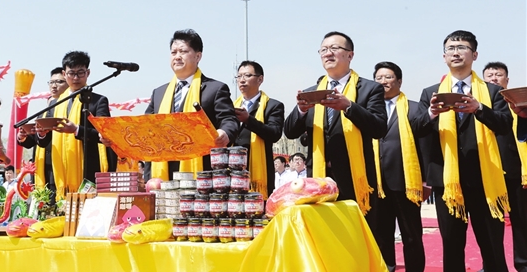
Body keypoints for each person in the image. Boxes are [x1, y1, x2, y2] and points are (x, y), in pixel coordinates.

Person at [416, 30, 513, 272]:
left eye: (462, 47)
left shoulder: (493, 92)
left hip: (486, 182)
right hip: (449, 185)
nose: (456, 52)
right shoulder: (431, 91)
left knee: (492, 249)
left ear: (475, 55)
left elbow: (504, 124)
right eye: (450, 48)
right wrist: (431, 113)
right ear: (444, 56)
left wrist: (478, 109)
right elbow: (418, 129)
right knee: (452, 248)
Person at [283, 31, 387, 229]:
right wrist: (301, 110)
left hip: (356, 176)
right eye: (323, 50)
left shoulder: (369, 89)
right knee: (325, 234)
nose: (328, 54)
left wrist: (349, 106)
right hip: (320, 178)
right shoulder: (312, 91)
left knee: (358, 234)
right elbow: (289, 132)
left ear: (350, 55)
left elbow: (378, 128)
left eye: (334, 49)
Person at [146, 29, 239, 179]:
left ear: (198, 56)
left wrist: (224, 133)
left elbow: (229, 120)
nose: (177, 57)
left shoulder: (215, 89)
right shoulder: (159, 93)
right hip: (163, 173)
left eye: (182, 51)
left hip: (202, 171)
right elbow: (146, 127)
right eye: (173, 52)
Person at [30, 51, 113, 199]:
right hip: (59, 174)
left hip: (88, 172)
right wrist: (41, 134)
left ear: (88, 73)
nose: (75, 78)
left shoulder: (98, 101)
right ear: (64, 73)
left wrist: (76, 130)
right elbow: (44, 143)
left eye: (80, 73)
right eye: (71, 73)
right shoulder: (55, 104)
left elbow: (105, 135)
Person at [372, 61, 426, 272]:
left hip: (406, 182)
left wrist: (424, 179)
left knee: (411, 234)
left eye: (388, 77)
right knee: (382, 236)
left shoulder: (414, 108)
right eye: (379, 78)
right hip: (376, 183)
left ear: (399, 81)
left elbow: (424, 144)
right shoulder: (368, 110)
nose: (383, 82)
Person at [475, 62, 527, 272]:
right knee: (490, 224)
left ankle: (523, 263)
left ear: (507, 80)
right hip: (490, 173)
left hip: (517, 173)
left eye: (499, 75)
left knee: (522, 221)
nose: (494, 78)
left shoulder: (519, 108)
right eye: (490, 75)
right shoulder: (478, 109)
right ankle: (492, 264)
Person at [233, 60, 284, 197]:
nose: (242, 80)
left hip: (259, 171)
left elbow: (274, 133)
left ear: (260, 79)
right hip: (233, 172)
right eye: (239, 77)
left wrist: (249, 120)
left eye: (247, 76)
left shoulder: (272, 106)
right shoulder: (231, 106)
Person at [17, 67, 69, 197]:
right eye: (51, 82)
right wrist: (23, 137)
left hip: (63, 166)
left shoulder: (71, 108)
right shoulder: (43, 112)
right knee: (42, 203)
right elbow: (34, 142)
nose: (54, 86)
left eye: (59, 82)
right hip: (42, 168)